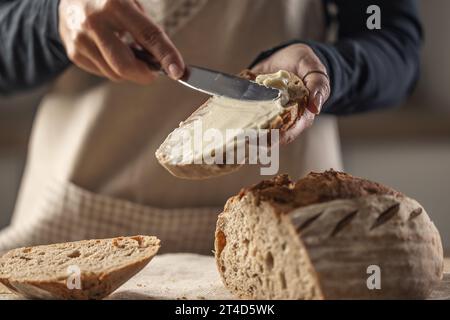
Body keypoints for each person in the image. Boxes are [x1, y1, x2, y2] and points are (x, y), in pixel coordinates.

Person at [0, 0, 422, 254]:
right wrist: (52, 18)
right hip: (79, 222)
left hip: (285, 221)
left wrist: (326, 68)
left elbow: (392, 44)